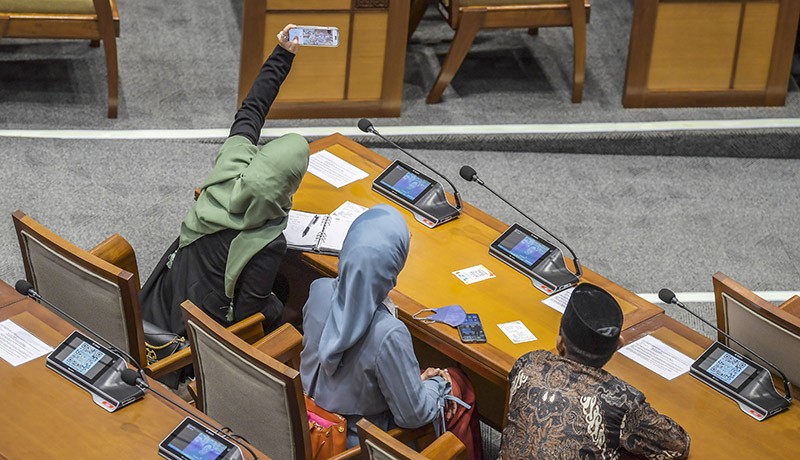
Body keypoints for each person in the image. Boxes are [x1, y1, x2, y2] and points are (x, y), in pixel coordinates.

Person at [139, 25, 308, 337]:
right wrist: (278, 305)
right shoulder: (268, 241)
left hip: (162, 299)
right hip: (194, 337)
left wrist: (282, 55)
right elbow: (249, 314)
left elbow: (251, 110)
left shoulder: (229, 166)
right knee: (286, 306)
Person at [300, 205, 482, 458]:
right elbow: (413, 415)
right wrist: (439, 383)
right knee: (460, 386)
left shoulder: (318, 290)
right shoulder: (389, 333)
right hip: (358, 446)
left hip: (309, 423)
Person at [499, 283, 691, 459]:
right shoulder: (622, 400)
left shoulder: (529, 363)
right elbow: (677, 447)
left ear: (560, 343)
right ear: (619, 345)